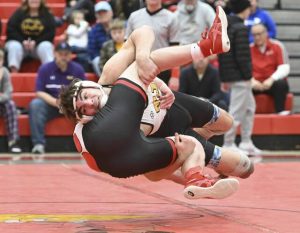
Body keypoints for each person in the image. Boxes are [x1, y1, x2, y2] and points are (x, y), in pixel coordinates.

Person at [59, 7, 254, 199]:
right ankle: (198, 173)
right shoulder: (111, 127)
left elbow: (142, 32)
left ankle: (199, 162)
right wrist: (181, 166)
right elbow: (153, 173)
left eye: (85, 97)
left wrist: (145, 61)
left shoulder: (110, 75)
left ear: (87, 85)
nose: (91, 103)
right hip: (168, 132)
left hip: (173, 104)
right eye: (84, 109)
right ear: (83, 117)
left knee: (226, 123)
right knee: (244, 167)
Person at [218, 0, 261, 156]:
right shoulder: (240, 27)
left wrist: (224, 77)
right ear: (245, 9)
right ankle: (228, 143)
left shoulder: (228, 26)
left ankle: (246, 142)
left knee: (250, 108)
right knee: (236, 112)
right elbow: (243, 57)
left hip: (234, 77)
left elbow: (222, 55)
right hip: (241, 78)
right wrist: (249, 76)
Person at [29, 42, 86, 156]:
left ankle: (86, 145)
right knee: (35, 105)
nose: (63, 57)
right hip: (52, 104)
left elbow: (83, 90)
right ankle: (38, 144)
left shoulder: (78, 69)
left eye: (66, 54)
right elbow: (39, 92)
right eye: (61, 54)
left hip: (71, 105)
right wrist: (57, 103)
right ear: (55, 54)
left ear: (70, 55)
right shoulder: (45, 68)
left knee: (88, 107)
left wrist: (69, 103)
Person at [126, 0, 179, 84]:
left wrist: (175, 76)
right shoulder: (134, 16)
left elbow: (175, 48)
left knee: (161, 96)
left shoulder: (171, 17)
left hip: (163, 68)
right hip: (138, 67)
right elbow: (127, 47)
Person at [4, 0, 55, 73]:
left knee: (46, 46)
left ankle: (50, 74)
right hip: (21, 46)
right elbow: (10, 30)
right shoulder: (18, 13)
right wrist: (22, 41)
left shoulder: (47, 15)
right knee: (14, 46)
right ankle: (13, 73)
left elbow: (50, 34)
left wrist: (36, 42)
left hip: (37, 48)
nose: (34, 1)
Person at [250, 23, 290, 114]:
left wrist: (271, 79)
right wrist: (252, 81)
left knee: (281, 83)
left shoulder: (277, 46)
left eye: (259, 34)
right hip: (254, 84)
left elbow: (284, 68)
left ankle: (280, 112)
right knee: (242, 85)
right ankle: (244, 114)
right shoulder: (249, 49)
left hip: (271, 83)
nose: (257, 37)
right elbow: (244, 70)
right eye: (254, 35)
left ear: (266, 33)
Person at [0, 50, 22, 154]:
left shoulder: (4, 72)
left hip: (1, 104)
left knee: (11, 105)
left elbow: (8, 94)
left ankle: (13, 142)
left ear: (2, 61)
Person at [88, 1, 112, 76]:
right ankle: (105, 83)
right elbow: (92, 52)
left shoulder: (120, 26)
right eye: (99, 13)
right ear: (96, 16)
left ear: (111, 12)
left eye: (104, 12)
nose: (102, 15)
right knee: (96, 60)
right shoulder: (93, 30)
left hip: (119, 56)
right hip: (102, 60)